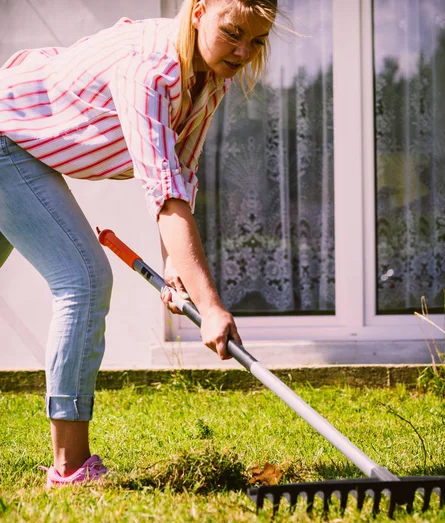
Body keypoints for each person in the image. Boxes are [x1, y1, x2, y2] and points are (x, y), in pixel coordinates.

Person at [0, 0, 277, 487]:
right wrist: (211, 307)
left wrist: (174, 266)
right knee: (83, 280)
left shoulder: (211, 78)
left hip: (26, 143)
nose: (242, 50)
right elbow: (165, 195)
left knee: (82, 278)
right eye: (233, 32)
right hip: (9, 136)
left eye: (256, 41)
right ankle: (71, 469)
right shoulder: (149, 70)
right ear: (199, 11)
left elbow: (181, 173)